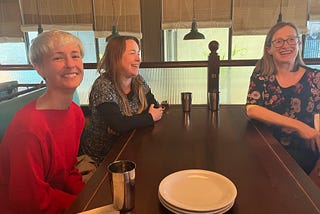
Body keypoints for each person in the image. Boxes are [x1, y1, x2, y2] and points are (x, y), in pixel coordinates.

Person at [0, 30, 85, 213]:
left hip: (53, 198)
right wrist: (81, 205)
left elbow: (68, 171)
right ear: (39, 67)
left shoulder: (76, 114)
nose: (71, 64)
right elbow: (30, 200)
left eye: (75, 56)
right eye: (58, 58)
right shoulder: (29, 127)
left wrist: (90, 198)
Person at [246, 22, 320, 175]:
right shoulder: (262, 75)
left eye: (291, 39)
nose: (285, 45)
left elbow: (318, 116)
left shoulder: (315, 77)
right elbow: (252, 109)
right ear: (269, 49)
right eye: (278, 41)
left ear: (299, 43)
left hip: (302, 149)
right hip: (266, 145)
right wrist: (299, 126)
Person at [79, 35, 164, 166]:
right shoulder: (103, 86)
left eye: (138, 53)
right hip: (101, 159)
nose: (138, 58)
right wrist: (147, 118)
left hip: (128, 146)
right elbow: (119, 124)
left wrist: (129, 122)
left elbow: (155, 106)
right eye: (132, 53)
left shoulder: (138, 80)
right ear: (116, 58)